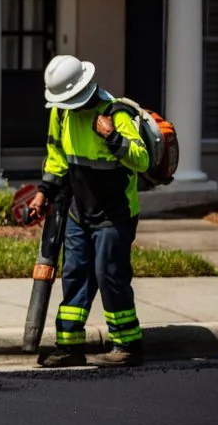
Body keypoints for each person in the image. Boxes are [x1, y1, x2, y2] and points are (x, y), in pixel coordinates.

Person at [27, 55, 149, 368]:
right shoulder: (62, 114)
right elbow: (56, 156)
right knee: (74, 276)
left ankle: (127, 344)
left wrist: (113, 138)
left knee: (109, 276)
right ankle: (70, 347)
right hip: (78, 212)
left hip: (114, 214)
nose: (65, 105)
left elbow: (142, 160)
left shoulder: (116, 113)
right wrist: (43, 192)